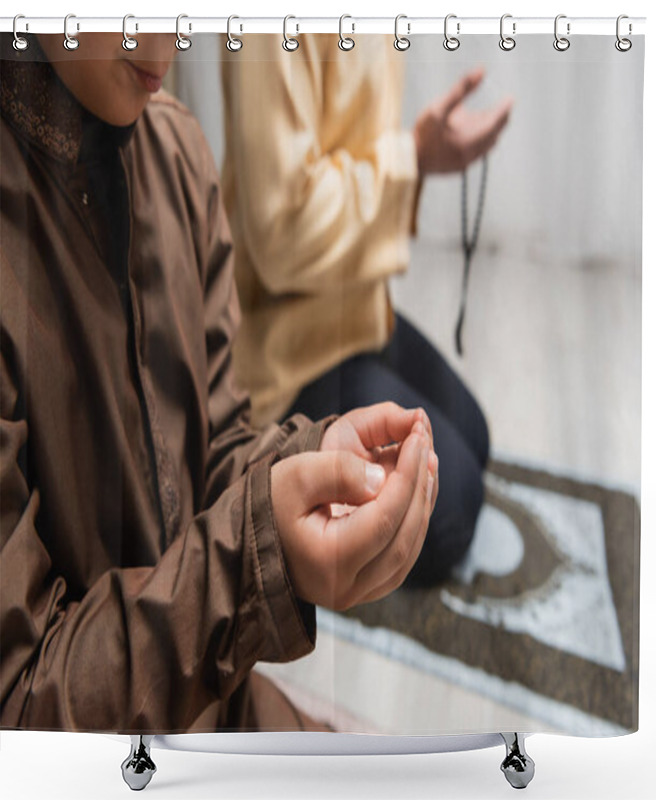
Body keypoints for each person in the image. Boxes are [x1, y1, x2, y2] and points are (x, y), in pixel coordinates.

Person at [0, 32, 438, 733]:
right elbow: (21, 707)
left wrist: (314, 462)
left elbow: (216, 446)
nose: (173, 35)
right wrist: (254, 558)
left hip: (208, 695)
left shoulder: (173, 151)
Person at [221, 34, 512, 586]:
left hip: (357, 308)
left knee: (476, 439)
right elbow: (283, 231)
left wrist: (421, 155)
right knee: (452, 512)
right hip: (287, 347)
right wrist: (413, 157)